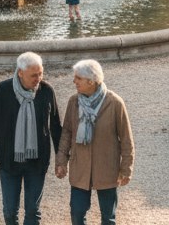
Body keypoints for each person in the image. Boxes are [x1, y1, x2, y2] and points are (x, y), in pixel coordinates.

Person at [0, 52, 62, 225]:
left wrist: (61, 159)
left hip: (37, 162)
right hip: (9, 161)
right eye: (34, 75)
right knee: (10, 211)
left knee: (33, 211)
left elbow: (56, 127)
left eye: (40, 73)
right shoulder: (2, 90)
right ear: (20, 72)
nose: (38, 79)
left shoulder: (47, 91)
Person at [55, 60, 135, 225]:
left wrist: (126, 169)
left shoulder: (115, 103)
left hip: (107, 168)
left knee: (108, 218)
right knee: (77, 213)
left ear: (91, 81)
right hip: (80, 168)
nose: (74, 81)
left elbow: (126, 139)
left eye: (78, 78)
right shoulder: (73, 102)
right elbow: (67, 133)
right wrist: (61, 161)